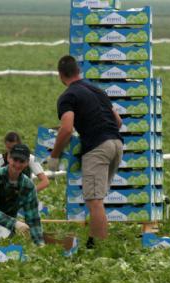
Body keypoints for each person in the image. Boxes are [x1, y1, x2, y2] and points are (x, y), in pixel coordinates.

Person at [49, 55, 123, 248]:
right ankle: (95, 239)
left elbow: (66, 128)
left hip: (97, 148)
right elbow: (118, 122)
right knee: (98, 198)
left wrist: (54, 156)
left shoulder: (68, 96)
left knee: (94, 200)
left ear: (60, 75)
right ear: (78, 71)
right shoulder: (97, 90)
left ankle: (98, 247)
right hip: (116, 144)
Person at [0, 144, 45, 246]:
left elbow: (33, 219)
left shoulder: (28, 186)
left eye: (22, 161)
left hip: (5, 230)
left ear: (27, 162)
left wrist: (40, 244)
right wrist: (15, 223)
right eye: (15, 159)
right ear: (9, 158)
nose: (18, 164)